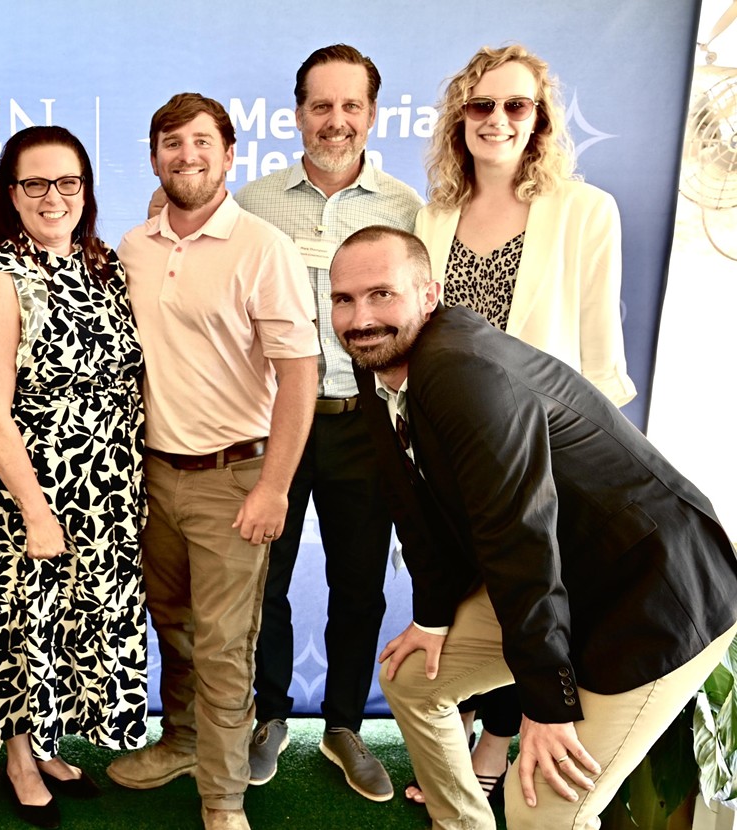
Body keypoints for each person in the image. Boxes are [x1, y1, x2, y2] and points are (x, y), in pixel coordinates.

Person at [328, 225, 737, 830]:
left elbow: (517, 538)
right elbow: (410, 504)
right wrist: (434, 617)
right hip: (561, 574)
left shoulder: (463, 370)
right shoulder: (378, 360)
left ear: (428, 294)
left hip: (653, 593)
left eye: (381, 295)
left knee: (543, 810)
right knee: (412, 680)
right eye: (344, 299)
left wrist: (548, 705)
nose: (361, 318)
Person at [409, 44, 637, 808]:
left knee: (529, 587)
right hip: (456, 450)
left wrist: (598, 463)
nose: (496, 120)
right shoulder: (431, 215)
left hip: (548, 450)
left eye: (515, 106)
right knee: (483, 585)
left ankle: (501, 744)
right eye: (480, 106)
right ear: (458, 119)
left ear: (538, 119)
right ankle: (485, 733)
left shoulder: (584, 210)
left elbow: (602, 358)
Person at [0, 125, 146, 830]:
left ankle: (48, 746)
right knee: (23, 625)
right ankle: (19, 759)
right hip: (25, 486)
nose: (54, 197)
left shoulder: (101, 265)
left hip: (103, 489)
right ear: (11, 194)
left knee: (69, 626)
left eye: (68, 183)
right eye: (35, 184)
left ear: (87, 190)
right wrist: (36, 510)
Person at [108, 93, 319, 830]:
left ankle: (223, 798)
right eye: (171, 142)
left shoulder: (265, 247)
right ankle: (183, 739)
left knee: (226, 644)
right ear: (154, 156)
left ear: (230, 156)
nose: (185, 155)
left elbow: (300, 374)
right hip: (150, 474)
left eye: (202, 142)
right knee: (171, 623)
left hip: (234, 476)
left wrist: (273, 487)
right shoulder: (134, 247)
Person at [233, 43, 422, 800]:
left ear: (372, 114)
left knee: (359, 581)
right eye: (321, 106)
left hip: (365, 420)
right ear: (298, 112)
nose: (336, 121)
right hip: (274, 418)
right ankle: (268, 714)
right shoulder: (252, 202)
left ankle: (345, 723)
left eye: (351, 106)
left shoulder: (407, 209)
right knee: (264, 577)